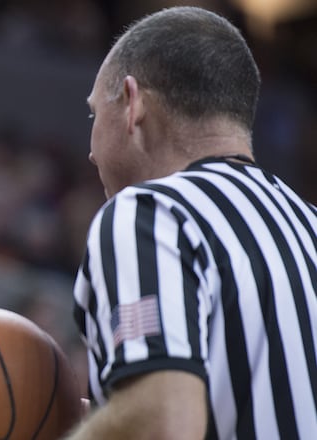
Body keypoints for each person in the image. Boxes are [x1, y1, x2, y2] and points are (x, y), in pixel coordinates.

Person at [69, 6, 316, 440]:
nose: (90, 151)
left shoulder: (148, 213)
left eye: (94, 114)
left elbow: (161, 423)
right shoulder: (309, 224)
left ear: (132, 103)